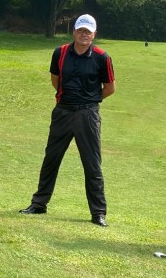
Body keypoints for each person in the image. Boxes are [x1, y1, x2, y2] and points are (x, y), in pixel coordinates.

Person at [20, 13, 115, 226]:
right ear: (74, 31)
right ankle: (39, 204)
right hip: (62, 111)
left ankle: (98, 213)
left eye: (88, 32)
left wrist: (89, 99)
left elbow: (110, 88)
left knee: (92, 164)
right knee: (51, 158)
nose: (84, 34)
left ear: (94, 34)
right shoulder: (60, 52)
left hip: (87, 114)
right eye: (81, 30)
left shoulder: (102, 57)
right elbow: (56, 80)